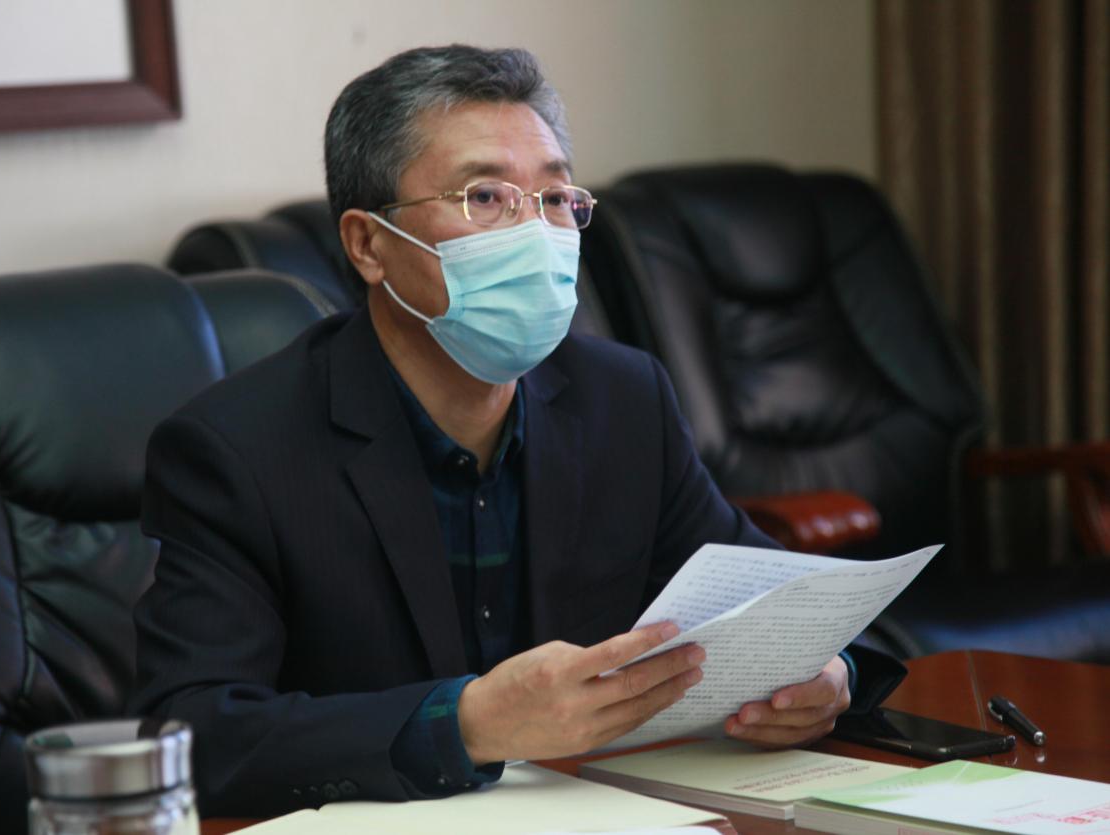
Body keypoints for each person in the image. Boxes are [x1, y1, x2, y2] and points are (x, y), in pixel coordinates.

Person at [130, 44, 855, 817]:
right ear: (368, 244)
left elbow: (783, 602)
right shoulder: (236, 448)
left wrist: (828, 672)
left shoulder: (621, 399)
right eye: (484, 196)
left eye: (554, 198)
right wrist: (467, 723)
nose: (535, 233)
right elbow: (196, 734)